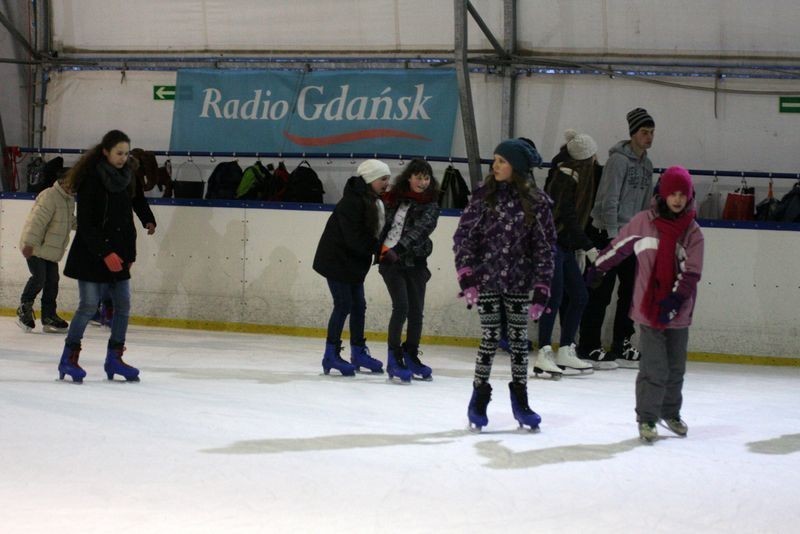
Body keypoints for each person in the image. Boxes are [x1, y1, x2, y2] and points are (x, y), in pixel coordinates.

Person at [587, 166, 703, 441]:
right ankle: (648, 418)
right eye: (672, 193)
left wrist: (674, 301)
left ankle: (670, 412)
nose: (677, 199)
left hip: (679, 310)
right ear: (662, 194)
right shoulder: (643, 223)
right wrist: (598, 269)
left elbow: (691, 273)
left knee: (676, 368)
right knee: (654, 367)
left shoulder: (692, 232)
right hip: (649, 310)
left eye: (682, 195)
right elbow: (618, 247)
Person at [453, 139, 556, 431]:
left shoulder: (537, 204)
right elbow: (464, 238)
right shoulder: (483, 197)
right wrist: (467, 274)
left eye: (502, 161)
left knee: (519, 342)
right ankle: (478, 399)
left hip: (519, 282)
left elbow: (545, 249)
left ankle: (520, 402)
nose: (495, 165)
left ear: (517, 168)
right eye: (495, 160)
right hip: (486, 281)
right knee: (489, 338)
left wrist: (541, 287)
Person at [57, 130, 156, 383]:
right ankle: (69, 358)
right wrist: (105, 253)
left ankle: (114, 358)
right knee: (89, 305)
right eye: (118, 153)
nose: (123, 158)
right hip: (92, 254)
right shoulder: (92, 179)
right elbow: (87, 224)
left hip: (120, 251)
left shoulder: (129, 175)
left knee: (122, 306)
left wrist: (147, 220)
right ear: (106, 152)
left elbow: (136, 203)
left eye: (126, 153)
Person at [578, 107, 655, 370]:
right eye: (645, 132)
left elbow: (645, 204)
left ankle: (622, 342)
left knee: (631, 294)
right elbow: (608, 199)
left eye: (652, 132)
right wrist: (613, 236)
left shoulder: (647, 165)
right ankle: (588, 345)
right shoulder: (617, 161)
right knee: (600, 293)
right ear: (633, 134)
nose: (649, 137)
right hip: (606, 235)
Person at [313, 159, 391, 377]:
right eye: (383, 179)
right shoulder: (352, 202)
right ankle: (330, 355)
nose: (387, 183)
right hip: (336, 261)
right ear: (370, 179)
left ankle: (358, 353)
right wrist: (382, 251)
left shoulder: (372, 201)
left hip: (353, 263)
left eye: (388, 179)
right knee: (343, 304)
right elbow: (354, 239)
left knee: (359, 305)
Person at [533, 130, 600, 378]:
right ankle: (543, 354)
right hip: (552, 245)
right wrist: (588, 246)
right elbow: (567, 217)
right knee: (554, 298)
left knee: (579, 295)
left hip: (566, 246)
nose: (596, 160)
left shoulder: (576, 176)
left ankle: (566, 349)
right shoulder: (564, 177)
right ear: (585, 158)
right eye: (593, 155)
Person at [377, 158, 440, 382]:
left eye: (426, 178)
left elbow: (421, 230)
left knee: (416, 312)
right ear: (409, 177)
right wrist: (381, 249)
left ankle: (411, 354)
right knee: (401, 307)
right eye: (418, 177)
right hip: (390, 262)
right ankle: (394, 358)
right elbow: (381, 224)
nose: (422, 182)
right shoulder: (393, 199)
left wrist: (399, 249)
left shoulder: (431, 204)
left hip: (414, 262)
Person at [89, 153, 157, 328]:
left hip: (126, 231)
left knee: (123, 270)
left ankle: (108, 307)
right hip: (107, 232)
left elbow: (139, 201)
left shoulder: (132, 180)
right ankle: (104, 308)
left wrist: (148, 220)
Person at [16, 177, 76, 333]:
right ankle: (24, 309)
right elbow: (36, 221)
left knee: (52, 281)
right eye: (71, 185)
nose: (73, 189)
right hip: (35, 246)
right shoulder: (49, 195)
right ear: (63, 182)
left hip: (50, 250)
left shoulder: (69, 200)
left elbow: (69, 221)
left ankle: (49, 316)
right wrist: (29, 243)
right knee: (39, 278)